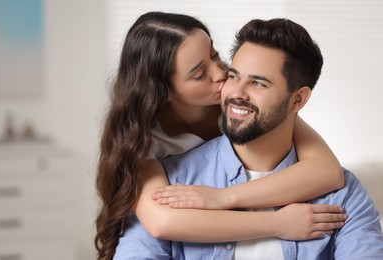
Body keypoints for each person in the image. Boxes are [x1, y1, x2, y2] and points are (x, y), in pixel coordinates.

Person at [113, 18, 383, 259]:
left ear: (297, 99)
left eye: (257, 83)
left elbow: (326, 172)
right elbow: (161, 223)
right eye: (199, 74)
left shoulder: (342, 194)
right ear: (166, 92)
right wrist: (277, 225)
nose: (225, 81)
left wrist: (222, 198)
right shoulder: (163, 171)